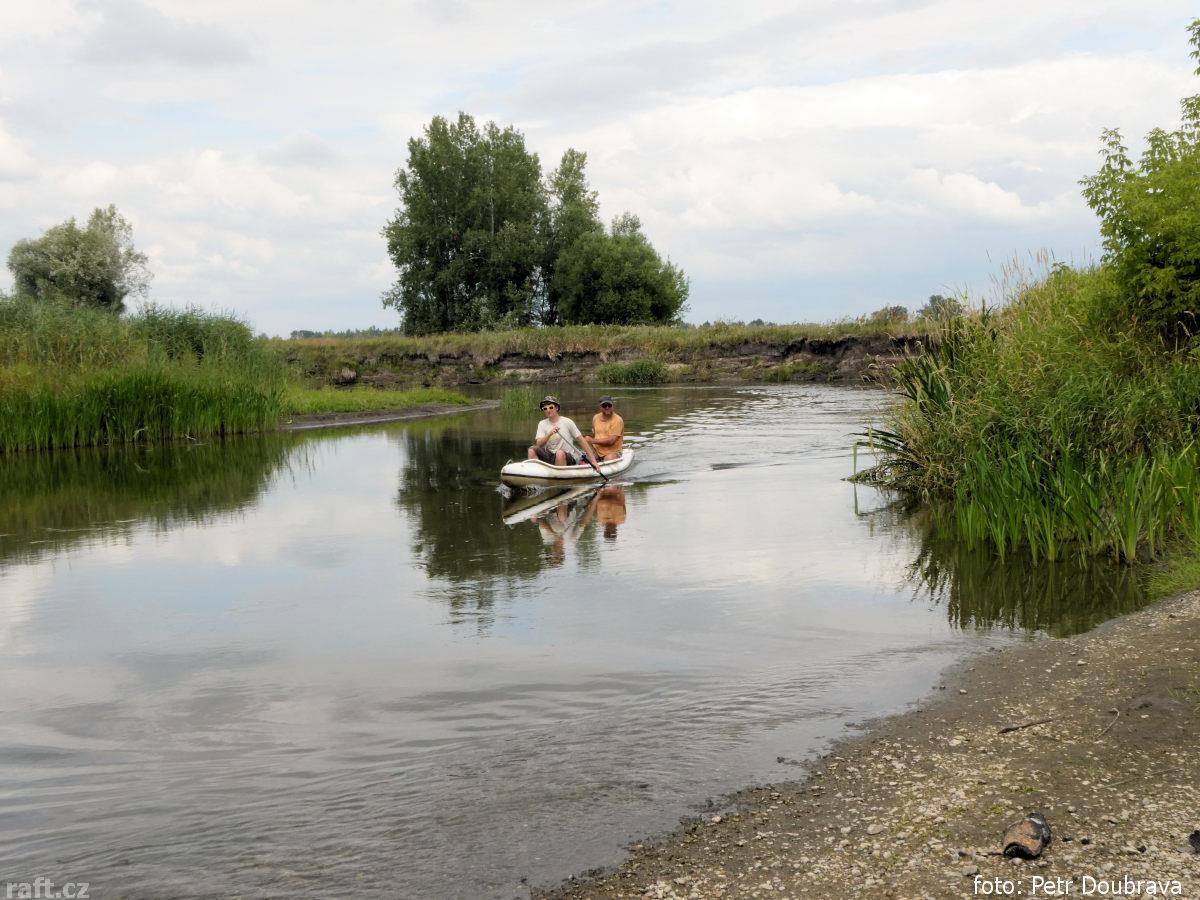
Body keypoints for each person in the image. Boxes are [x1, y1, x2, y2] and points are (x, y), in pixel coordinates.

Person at [527, 396, 599, 467]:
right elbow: (538, 444)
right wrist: (549, 434)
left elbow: (581, 440)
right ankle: (534, 471)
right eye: (545, 408)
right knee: (531, 450)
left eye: (551, 407)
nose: (548, 410)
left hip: (567, 456)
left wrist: (593, 461)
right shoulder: (542, 423)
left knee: (559, 453)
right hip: (550, 455)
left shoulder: (567, 421)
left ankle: (559, 472)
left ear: (557, 408)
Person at [583, 396, 624, 461]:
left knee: (609, 458)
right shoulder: (595, 417)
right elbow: (594, 435)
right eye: (604, 405)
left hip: (613, 452)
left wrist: (593, 441)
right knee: (586, 439)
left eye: (609, 405)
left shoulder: (617, 420)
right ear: (600, 407)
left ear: (612, 406)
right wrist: (589, 440)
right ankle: (593, 459)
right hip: (597, 451)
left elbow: (611, 441)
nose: (607, 407)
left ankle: (597, 460)